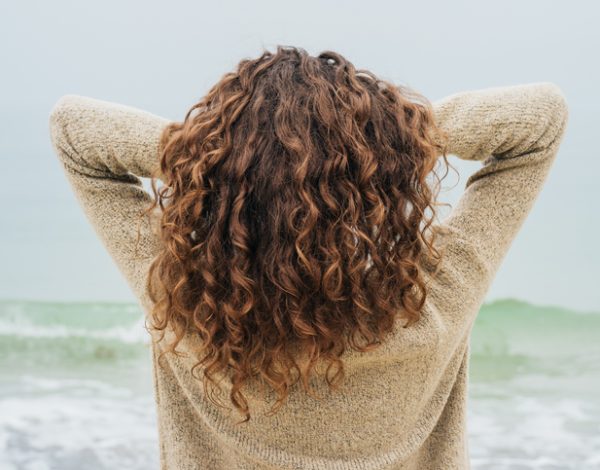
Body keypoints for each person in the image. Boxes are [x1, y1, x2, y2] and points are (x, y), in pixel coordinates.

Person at [48, 45, 568, 469]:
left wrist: (218, 153)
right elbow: (541, 119)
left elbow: (74, 131)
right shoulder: (433, 308)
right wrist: (384, 140)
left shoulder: (187, 306)